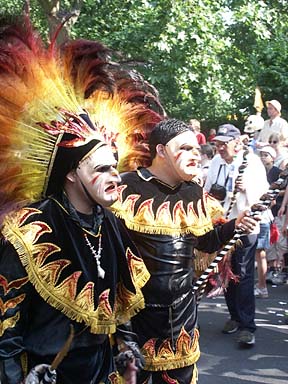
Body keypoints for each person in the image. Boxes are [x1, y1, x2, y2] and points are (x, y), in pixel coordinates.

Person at [0, 18, 150, 384]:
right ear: (71, 173)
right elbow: (6, 321)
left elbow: (119, 301)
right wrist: (20, 377)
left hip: (100, 371)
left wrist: (126, 349)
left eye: (115, 167)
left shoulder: (111, 223)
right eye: (101, 168)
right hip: (48, 373)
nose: (114, 176)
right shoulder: (32, 228)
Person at [112, 119, 259, 383]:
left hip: (183, 318)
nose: (196, 155)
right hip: (136, 319)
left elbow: (207, 242)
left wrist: (235, 225)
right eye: (186, 148)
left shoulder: (194, 193)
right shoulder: (126, 187)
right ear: (161, 150)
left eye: (197, 150)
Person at [204, 124, 269, 346]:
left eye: (224, 144)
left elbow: (264, 196)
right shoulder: (215, 162)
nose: (220, 148)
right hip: (223, 225)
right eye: (217, 144)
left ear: (237, 143)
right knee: (226, 274)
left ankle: (247, 326)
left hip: (246, 227)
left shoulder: (252, 163)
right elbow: (208, 190)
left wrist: (246, 189)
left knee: (243, 274)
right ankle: (234, 316)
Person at [254, 146, 280, 298]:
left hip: (263, 216)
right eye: (261, 155)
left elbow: (274, 195)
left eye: (266, 155)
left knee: (260, 253)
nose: (263, 157)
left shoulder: (276, 172)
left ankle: (262, 286)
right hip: (255, 215)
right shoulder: (257, 170)